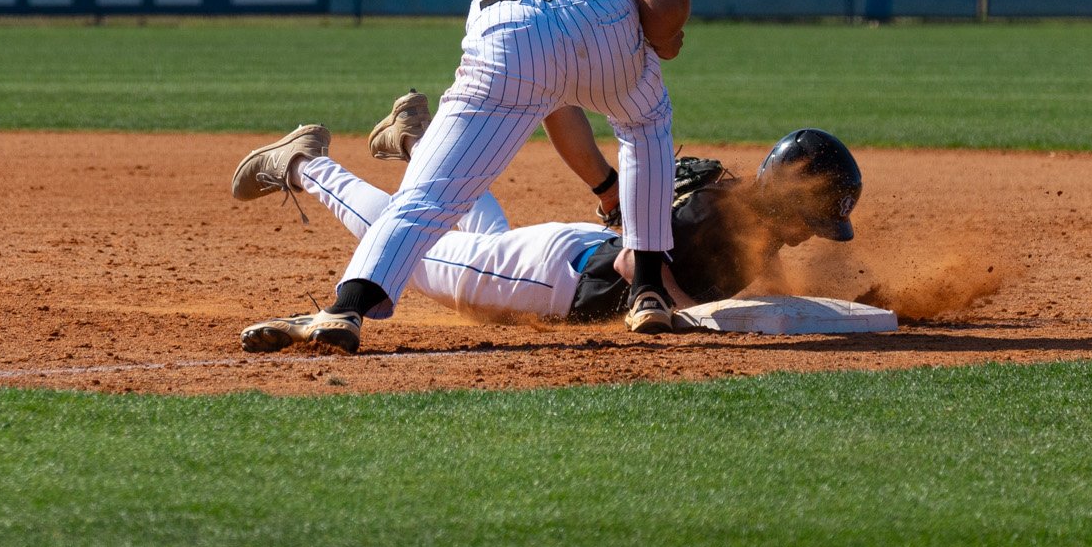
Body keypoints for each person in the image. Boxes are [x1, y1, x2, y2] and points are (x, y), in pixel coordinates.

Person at [240, 0, 693, 354]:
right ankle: (649, 289)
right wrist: (664, 35)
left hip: (506, 32)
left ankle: (346, 309)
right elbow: (658, 0)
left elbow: (554, 87)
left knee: (428, 197)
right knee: (645, 123)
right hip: (600, 15)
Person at [228, 95, 861, 327]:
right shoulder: (723, 219)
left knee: (469, 234)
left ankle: (422, 143)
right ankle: (305, 163)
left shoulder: (753, 221)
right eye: (812, 218)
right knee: (415, 255)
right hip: (560, 278)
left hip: (566, 252)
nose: (811, 235)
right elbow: (636, 263)